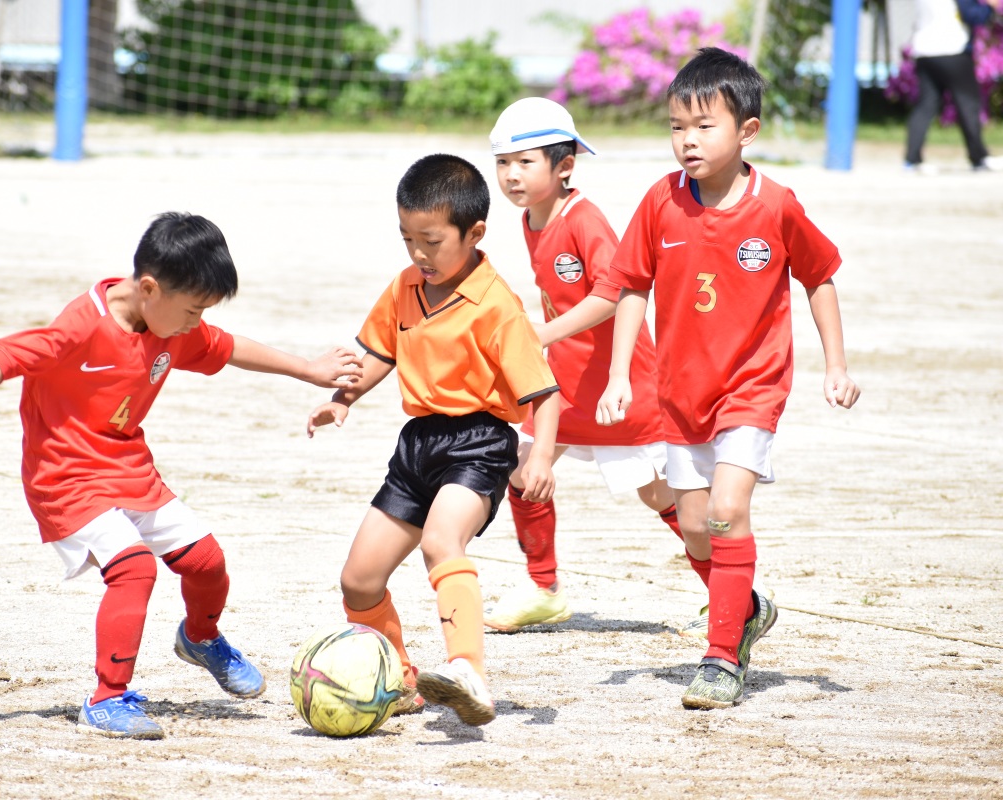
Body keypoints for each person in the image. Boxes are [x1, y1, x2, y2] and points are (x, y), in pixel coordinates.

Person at [0, 212, 364, 739]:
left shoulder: (169, 322)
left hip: (128, 467)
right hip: (65, 477)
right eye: (193, 310)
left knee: (206, 562)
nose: (197, 323)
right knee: (134, 569)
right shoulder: (83, 325)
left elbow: (227, 348)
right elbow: (5, 356)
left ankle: (200, 638)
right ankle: (105, 700)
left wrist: (308, 369)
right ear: (149, 288)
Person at [597, 48, 861, 710]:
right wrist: (619, 374)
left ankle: (720, 658)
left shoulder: (776, 206)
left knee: (725, 511)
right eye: (676, 126)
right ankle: (743, 608)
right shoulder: (660, 201)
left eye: (703, 125)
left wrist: (836, 364)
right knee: (694, 527)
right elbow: (630, 287)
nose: (687, 140)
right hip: (680, 393)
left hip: (751, 387)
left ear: (747, 131)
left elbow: (820, 277)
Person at [306, 154, 561, 726]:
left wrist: (540, 457)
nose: (418, 254)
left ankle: (468, 671)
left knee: (442, 540)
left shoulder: (497, 306)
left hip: (480, 442)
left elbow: (545, 394)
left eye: (431, 241)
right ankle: (401, 682)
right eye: (407, 239)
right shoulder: (404, 287)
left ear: (474, 234)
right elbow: (380, 351)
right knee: (359, 579)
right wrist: (343, 398)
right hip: (417, 445)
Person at [483, 97, 690, 633]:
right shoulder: (532, 218)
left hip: (619, 382)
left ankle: (735, 590)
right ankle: (544, 587)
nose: (511, 174)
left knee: (658, 493)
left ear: (565, 165)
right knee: (522, 468)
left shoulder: (584, 218)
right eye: (502, 162)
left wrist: (541, 335)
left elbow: (615, 292)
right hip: (565, 382)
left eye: (525, 162)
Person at [904, 0, 999, 173]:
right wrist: (990, 7)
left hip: (924, 50)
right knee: (968, 104)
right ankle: (979, 157)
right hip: (953, 49)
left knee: (925, 105)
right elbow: (973, 15)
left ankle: (912, 160)